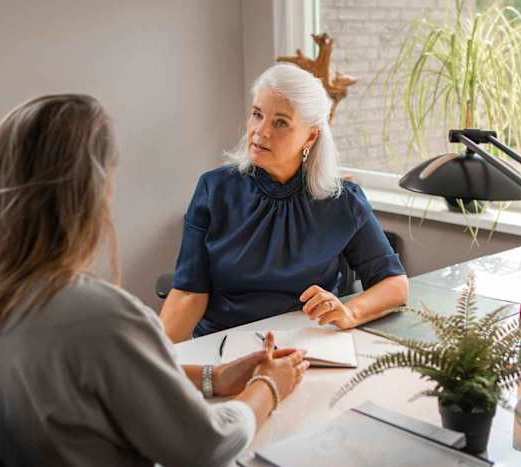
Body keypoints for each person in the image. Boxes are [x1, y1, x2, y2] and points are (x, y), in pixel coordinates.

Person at [0, 94, 308, 467]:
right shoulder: (95, 317)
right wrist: (268, 386)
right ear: (90, 189)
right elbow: (208, 446)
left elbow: (89, 384)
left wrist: (212, 379)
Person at [160, 64, 409, 341]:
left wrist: (349, 312)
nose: (260, 131)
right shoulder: (215, 190)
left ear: (311, 136)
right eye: (257, 114)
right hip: (224, 344)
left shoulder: (343, 201)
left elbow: (395, 285)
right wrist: (156, 370)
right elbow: (188, 294)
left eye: (280, 122)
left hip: (308, 346)